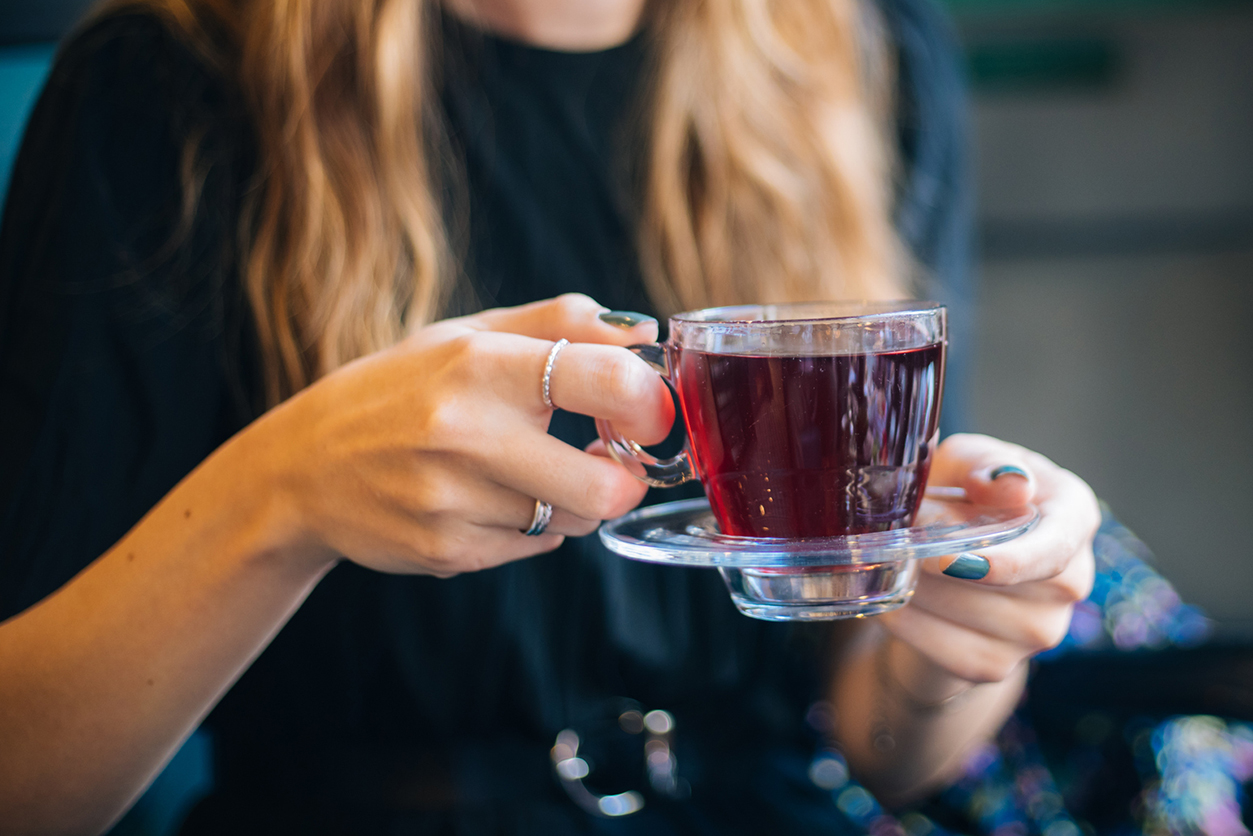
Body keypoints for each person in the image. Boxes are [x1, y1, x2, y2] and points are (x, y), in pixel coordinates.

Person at [0, 0, 1100, 833]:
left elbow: (883, 750)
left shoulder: (863, 50)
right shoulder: (168, 77)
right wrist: (282, 496)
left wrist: (955, 651)